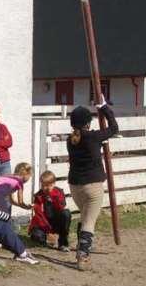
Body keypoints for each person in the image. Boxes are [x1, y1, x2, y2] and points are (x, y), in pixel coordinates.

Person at [67, 97, 119, 270]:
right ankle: (83, 255)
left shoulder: (70, 140)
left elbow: (88, 144)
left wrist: (99, 144)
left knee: (84, 216)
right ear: (88, 122)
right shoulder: (92, 137)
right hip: (93, 185)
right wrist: (104, 107)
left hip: (75, 185)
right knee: (89, 221)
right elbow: (114, 128)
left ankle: (82, 248)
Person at [29, 171, 71, 252]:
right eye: (44, 186)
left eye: (50, 185)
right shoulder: (38, 196)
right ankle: (44, 239)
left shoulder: (59, 192)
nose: (47, 188)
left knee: (66, 213)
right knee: (37, 236)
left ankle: (63, 243)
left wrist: (53, 198)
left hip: (56, 221)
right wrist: (48, 231)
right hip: (44, 222)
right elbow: (39, 214)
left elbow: (61, 207)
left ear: (54, 184)